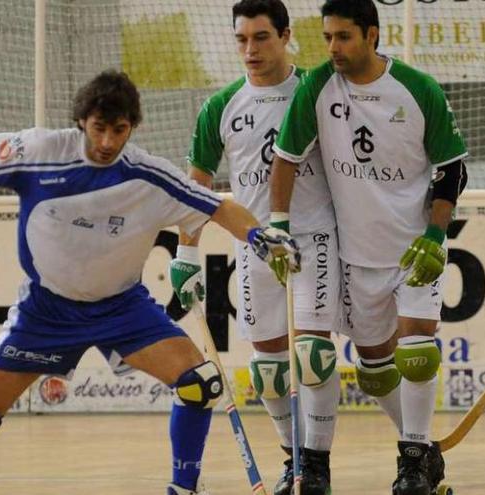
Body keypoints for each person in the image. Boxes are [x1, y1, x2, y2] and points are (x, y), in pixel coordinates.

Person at [0, 69, 298, 495]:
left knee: (199, 382)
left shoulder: (149, 176)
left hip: (122, 309)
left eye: (119, 130)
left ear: (132, 126)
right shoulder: (41, 151)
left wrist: (260, 236)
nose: (107, 143)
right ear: (82, 120)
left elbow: (219, 207)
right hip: (47, 310)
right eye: (99, 129)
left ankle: (184, 488)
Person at [269, 1, 468, 493]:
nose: (333, 48)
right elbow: (286, 159)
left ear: (372, 35)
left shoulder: (417, 88)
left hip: (415, 248)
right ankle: (425, 448)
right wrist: (277, 226)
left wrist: (436, 236)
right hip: (356, 255)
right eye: (328, 37)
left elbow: (451, 170)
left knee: (417, 353)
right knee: (376, 371)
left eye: (344, 37)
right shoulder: (317, 86)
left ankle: (413, 462)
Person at [171, 2, 340, 493]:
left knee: (313, 355)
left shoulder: (318, 90)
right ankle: (293, 459)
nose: (251, 50)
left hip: (314, 238)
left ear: (286, 36)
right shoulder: (220, 106)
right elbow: (196, 189)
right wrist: (186, 255)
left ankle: (318, 466)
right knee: (268, 370)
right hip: (254, 245)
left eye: (262, 38)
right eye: (242, 39)